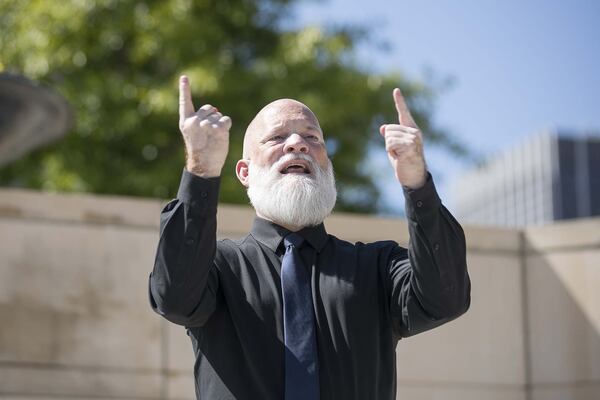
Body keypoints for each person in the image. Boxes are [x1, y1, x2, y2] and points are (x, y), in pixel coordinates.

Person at [149, 75, 471, 400]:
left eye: (312, 137)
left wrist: (417, 184)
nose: (297, 144)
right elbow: (173, 298)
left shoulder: (378, 267)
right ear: (244, 172)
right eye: (276, 138)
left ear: (327, 165)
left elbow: (445, 298)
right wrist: (200, 169)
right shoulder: (217, 267)